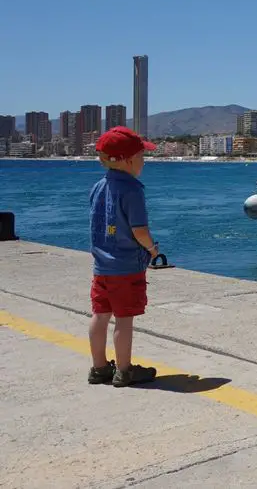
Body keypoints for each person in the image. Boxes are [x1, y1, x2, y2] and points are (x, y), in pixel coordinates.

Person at [87, 127, 158, 388]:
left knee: (100, 315)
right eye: (141, 156)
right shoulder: (133, 190)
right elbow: (139, 230)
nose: (144, 161)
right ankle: (125, 370)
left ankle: (99, 367)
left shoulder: (97, 188)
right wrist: (152, 249)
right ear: (128, 160)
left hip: (101, 267)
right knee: (124, 319)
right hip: (126, 268)